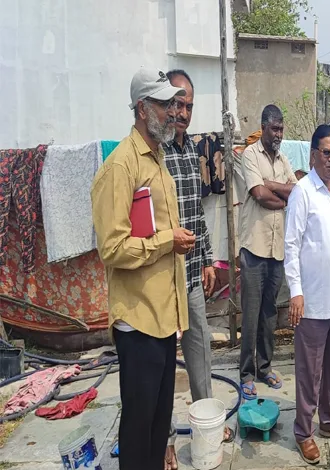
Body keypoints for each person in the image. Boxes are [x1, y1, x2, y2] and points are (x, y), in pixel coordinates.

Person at [91, 68, 194, 469]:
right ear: (141, 109)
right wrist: (168, 241)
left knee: (158, 422)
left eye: (175, 104)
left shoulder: (159, 158)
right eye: (165, 104)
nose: (174, 112)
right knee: (138, 427)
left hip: (163, 318)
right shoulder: (121, 166)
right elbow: (112, 247)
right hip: (138, 322)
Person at [161, 69, 232, 470]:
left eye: (188, 105)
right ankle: (165, 439)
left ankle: (207, 423)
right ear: (163, 103)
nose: (183, 112)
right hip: (159, 279)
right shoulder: (154, 150)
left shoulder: (190, 149)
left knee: (200, 349)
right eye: (177, 104)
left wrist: (207, 259)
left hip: (190, 275)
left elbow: (197, 213)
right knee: (161, 364)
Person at [285, 124, 330, 465]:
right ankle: (303, 431)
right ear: (313, 155)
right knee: (308, 372)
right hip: (311, 301)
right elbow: (291, 245)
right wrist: (296, 292)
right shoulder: (303, 192)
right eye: (326, 153)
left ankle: (329, 421)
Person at [237, 105, 297, 399]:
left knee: (269, 313)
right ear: (263, 128)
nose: (278, 134)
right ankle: (246, 374)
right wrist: (280, 194)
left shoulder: (283, 160)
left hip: (277, 249)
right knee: (250, 315)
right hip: (254, 247)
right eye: (274, 129)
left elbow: (295, 191)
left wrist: (272, 186)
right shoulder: (250, 155)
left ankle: (264, 367)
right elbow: (259, 195)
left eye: (281, 129)